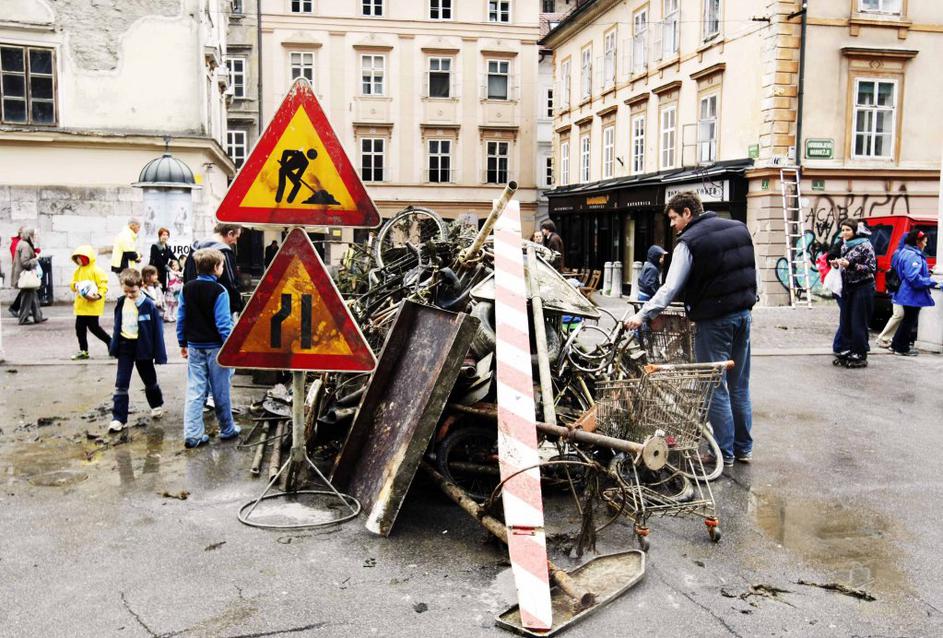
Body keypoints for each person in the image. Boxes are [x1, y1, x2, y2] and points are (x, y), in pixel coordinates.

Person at [625, 192, 756, 467]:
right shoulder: (738, 228)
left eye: (673, 218)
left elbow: (670, 287)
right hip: (743, 315)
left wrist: (644, 314)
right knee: (739, 386)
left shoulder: (689, 242)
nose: (672, 225)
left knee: (714, 386)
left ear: (687, 213)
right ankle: (743, 449)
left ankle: (724, 452)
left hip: (714, 320)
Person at [177, 248, 239, 448]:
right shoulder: (220, 291)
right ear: (216, 268)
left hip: (195, 347)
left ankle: (193, 434)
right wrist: (231, 348)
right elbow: (223, 324)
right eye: (221, 265)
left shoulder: (186, 288)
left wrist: (182, 342)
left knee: (195, 390)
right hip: (216, 349)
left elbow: (181, 317)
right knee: (220, 390)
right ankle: (227, 429)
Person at [108, 268, 166, 433]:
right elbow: (117, 325)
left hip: (143, 347)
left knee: (150, 380)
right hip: (125, 346)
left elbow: (157, 332)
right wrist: (114, 346)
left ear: (140, 286)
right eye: (125, 291)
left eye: (132, 291)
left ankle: (156, 404)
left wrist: (159, 354)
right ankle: (119, 418)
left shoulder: (148, 305)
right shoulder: (121, 303)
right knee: (121, 384)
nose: (129, 295)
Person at [831, 219, 876, 368]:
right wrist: (837, 263)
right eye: (843, 230)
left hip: (863, 287)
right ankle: (848, 349)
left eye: (848, 230)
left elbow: (871, 268)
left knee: (858, 321)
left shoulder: (865, 245)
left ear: (855, 231)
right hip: (849, 287)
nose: (844, 233)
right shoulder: (845, 245)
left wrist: (851, 265)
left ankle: (860, 352)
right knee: (847, 320)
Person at [889, 229, 939, 356]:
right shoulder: (913, 255)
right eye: (925, 242)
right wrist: (931, 281)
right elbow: (914, 278)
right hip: (911, 294)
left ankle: (896, 344)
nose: (926, 244)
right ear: (918, 242)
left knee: (907, 319)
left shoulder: (905, 252)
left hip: (906, 293)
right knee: (909, 320)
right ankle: (902, 348)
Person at [183, 223, 243, 316]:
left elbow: (187, 275)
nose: (235, 242)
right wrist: (237, 304)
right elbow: (231, 283)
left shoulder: (195, 247)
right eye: (236, 237)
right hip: (219, 308)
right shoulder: (224, 251)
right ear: (230, 233)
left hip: (195, 306)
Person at [69, 245, 111, 360]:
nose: (78, 261)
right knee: (79, 328)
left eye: (80, 258)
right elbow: (72, 284)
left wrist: (98, 295)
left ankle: (110, 341)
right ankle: (83, 350)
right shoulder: (78, 271)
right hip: (81, 306)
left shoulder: (96, 271)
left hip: (93, 305)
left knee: (94, 327)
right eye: (76, 259)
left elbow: (103, 285)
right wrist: (75, 285)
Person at [11, 227, 45, 325]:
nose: (36, 237)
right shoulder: (25, 246)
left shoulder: (23, 243)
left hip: (24, 275)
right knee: (27, 298)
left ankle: (38, 317)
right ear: (29, 235)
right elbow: (25, 262)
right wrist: (36, 259)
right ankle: (23, 319)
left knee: (33, 296)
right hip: (25, 276)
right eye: (35, 235)